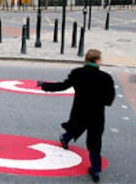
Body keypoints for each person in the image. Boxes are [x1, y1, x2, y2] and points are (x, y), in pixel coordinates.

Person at [37, 49, 115, 183]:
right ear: (97, 61)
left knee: (75, 128)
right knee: (95, 142)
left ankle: (64, 139)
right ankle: (95, 169)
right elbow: (109, 99)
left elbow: (63, 86)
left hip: (80, 110)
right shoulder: (106, 78)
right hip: (96, 114)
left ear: (86, 59)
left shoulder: (78, 73)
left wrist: (44, 85)